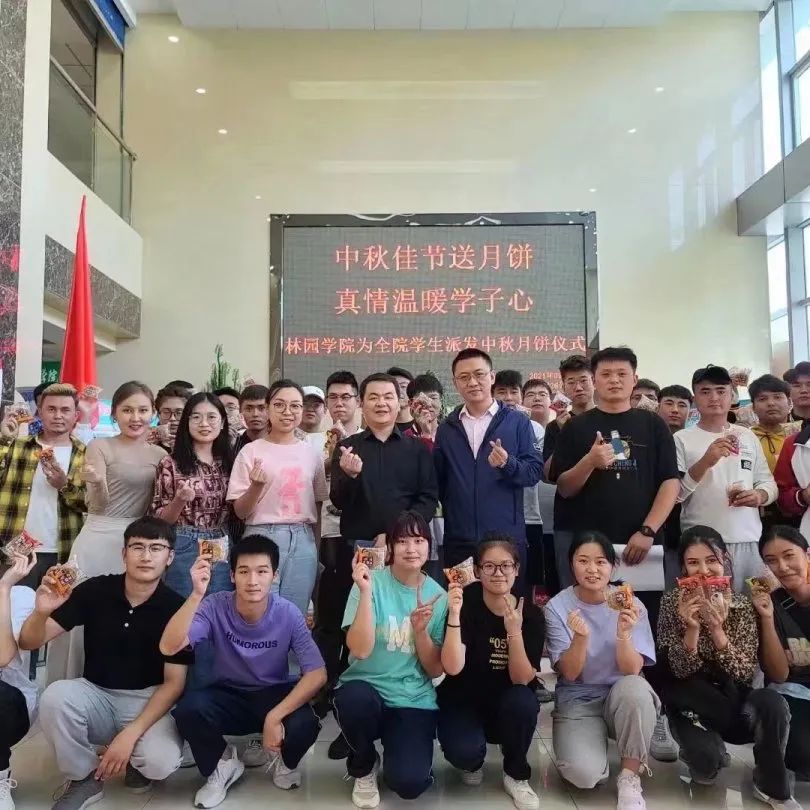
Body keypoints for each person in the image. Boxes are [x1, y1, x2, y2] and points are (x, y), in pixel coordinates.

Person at [19, 517, 192, 809]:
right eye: (137, 547)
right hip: (96, 693)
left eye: (156, 548)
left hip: (148, 700)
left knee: (159, 762)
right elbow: (29, 642)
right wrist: (41, 612)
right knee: (55, 698)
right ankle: (83, 776)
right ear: (124, 553)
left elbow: (174, 685)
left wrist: (130, 735)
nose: (146, 556)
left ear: (170, 557)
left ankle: (136, 761)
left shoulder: (177, 608)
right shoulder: (95, 590)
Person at [162, 536, 326, 808]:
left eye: (262, 571)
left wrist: (275, 716)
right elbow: (169, 646)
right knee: (189, 710)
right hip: (229, 695)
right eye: (243, 571)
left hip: (272, 693)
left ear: (274, 576)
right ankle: (223, 762)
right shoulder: (214, 605)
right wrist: (196, 594)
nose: (252, 581)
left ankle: (284, 762)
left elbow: (317, 673)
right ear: (232, 575)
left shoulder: (288, 613)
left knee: (306, 723)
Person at [656, 526, 801, 808]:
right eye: (693, 563)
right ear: (683, 568)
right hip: (692, 703)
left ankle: (771, 784)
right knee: (705, 767)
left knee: (771, 702)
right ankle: (708, 749)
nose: (704, 571)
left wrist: (718, 631)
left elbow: (744, 673)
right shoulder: (672, 603)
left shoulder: (742, 605)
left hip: (734, 700)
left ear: (725, 560)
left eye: (711, 560)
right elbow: (678, 671)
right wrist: (692, 628)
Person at [333, 511, 448, 808]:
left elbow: (435, 669)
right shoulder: (369, 582)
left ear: (429, 546)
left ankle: (405, 750)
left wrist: (420, 632)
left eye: (419, 541)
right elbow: (359, 650)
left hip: (412, 697)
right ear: (390, 547)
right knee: (352, 701)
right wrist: (366, 591)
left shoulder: (439, 597)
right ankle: (364, 764)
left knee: (409, 784)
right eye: (402, 541)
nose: (411, 549)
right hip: (366, 690)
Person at [545, 532, 659, 809]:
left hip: (622, 692)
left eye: (600, 562)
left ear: (612, 566)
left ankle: (630, 775)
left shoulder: (631, 604)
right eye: (583, 561)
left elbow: (632, 670)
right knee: (584, 776)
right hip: (578, 696)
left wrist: (624, 634)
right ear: (571, 564)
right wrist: (580, 638)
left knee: (635, 690)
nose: (592, 569)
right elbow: (570, 673)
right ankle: (593, 745)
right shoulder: (557, 607)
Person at [549, 346, 680, 588]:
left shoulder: (654, 425)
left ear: (634, 379)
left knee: (641, 607)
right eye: (606, 374)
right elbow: (565, 488)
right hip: (589, 544)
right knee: (589, 606)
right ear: (594, 381)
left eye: (621, 374)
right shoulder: (575, 427)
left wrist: (648, 531)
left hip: (641, 541)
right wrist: (590, 461)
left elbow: (670, 481)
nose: (614, 380)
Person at [438, 537, 543, 810]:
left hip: (507, 703)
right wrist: (453, 615)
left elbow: (522, 679)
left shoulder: (530, 614)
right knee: (464, 753)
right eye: (489, 566)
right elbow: (452, 667)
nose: (498, 573)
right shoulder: (465, 604)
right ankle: (472, 761)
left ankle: (515, 773)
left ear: (517, 569)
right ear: (477, 570)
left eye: (506, 565)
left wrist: (514, 632)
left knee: (523, 701)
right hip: (464, 699)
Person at [434, 349, 542, 580]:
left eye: (479, 374)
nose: (472, 382)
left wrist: (507, 463)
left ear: (492, 377)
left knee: (507, 601)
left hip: (505, 540)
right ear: (455, 383)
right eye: (464, 377)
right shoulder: (446, 428)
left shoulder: (517, 422)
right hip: (459, 541)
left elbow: (534, 472)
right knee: (460, 600)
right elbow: (441, 482)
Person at [228, 379, 327, 614]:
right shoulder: (250, 451)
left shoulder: (312, 454)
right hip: (262, 534)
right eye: (279, 404)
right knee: (259, 611)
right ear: (268, 408)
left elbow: (317, 504)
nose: (287, 412)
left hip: (303, 540)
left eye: (295, 406)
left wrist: (315, 549)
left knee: (295, 614)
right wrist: (256, 486)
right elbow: (240, 512)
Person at [675, 365, 776, 590]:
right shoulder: (681, 439)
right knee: (705, 606)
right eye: (705, 391)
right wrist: (706, 461)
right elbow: (676, 495)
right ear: (694, 399)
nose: (714, 398)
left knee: (752, 605)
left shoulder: (747, 436)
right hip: (700, 545)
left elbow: (768, 482)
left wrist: (760, 495)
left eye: (721, 391)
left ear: (732, 396)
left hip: (748, 539)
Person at [331, 373, 438, 546]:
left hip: (405, 543)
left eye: (388, 397)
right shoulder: (347, 448)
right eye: (373, 397)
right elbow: (338, 502)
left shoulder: (417, 449)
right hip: (359, 544)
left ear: (398, 403)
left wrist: (399, 532)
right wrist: (350, 477)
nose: (381, 403)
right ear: (361, 403)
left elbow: (428, 499)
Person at [0, 384, 87, 589]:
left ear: (75, 415)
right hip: (16, 552)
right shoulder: (18, 446)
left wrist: (64, 486)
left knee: (56, 608)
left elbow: (90, 504)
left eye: (65, 410)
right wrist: (4, 438)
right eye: (51, 409)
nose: (58, 415)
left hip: (63, 551)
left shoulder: (86, 453)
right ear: (39, 412)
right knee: (13, 606)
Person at [151, 393, 233, 597]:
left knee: (219, 606)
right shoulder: (170, 463)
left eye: (211, 417)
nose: (204, 423)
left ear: (222, 422)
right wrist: (179, 500)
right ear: (186, 422)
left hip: (221, 541)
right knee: (183, 607)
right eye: (196, 417)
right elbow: (160, 519)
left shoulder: (230, 461)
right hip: (184, 542)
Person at [756, 524, 810, 784]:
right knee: (802, 752)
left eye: (789, 556)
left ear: (807, 554)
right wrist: (766, 619)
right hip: (794, 693)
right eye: (771, 560)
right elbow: (779, 674)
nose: (783, 567)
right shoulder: (771, 603)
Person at [0, 552, 37, 810]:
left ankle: (0, 775)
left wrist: (4, 588)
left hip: (9, 705)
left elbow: (3, 656)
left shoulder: (20, 595)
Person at [542, 354, 595, 477]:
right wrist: (564, 433)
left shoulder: (609, 417)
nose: (578, 388)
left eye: (583, 380)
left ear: (594, 382)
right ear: (563, 387)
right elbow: (547, 474)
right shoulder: (554, 426)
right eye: (571, 382)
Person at [750, 374, 795, 473]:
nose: (771, 403)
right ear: (753, 407)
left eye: (777, 397)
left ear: (789, 402)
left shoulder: (801, 438)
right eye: (762, 399)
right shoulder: (746, 439)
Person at [404, 373, 444, 449]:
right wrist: (426, 435)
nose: (428, 404)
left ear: (441, 401)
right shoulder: (405, 438)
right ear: (411, 403)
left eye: (433, 398)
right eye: (421, 400)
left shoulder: (450, 433)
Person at [232, 384, 270, 456]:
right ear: (240, 411)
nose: (255, 414)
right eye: (248, 409)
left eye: (261, 408)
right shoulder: (232, 445)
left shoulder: (281, 443)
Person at [153, 385, 191, 453]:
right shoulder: (149, 443)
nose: (172, 418)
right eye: (166, 412)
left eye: (179, 413)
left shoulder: (197, 444)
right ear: (158, 414)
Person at [386, 366, 415, 433]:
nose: (398, 391)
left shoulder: (422, 426)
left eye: (403, 386)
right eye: (394, 386)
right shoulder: (379, 427)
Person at [300, 386, 327, 455]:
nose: (310, 409)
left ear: (325, 410)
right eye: (305, 404)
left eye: (316, 405)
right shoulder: (286, 437)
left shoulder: (330, 440)